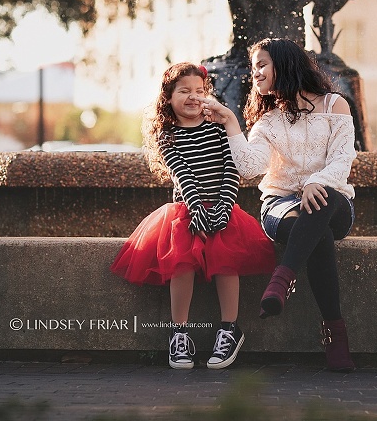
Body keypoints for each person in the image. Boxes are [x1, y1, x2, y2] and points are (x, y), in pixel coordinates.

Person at [198, 38, 357, 372]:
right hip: (281, 206)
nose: (254, 73)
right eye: (254, 66)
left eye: (261, 64)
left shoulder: (335, 105)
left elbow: (343, 160)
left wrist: (317, 181)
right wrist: (230, 122)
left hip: (333, 200)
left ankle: (282, 277)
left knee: (321, 202)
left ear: (284, 64)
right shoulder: (268, 121)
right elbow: (250, 168)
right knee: (318, 236)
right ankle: (334, 333)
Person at [110, 62, 275, 370]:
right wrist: (198, 208)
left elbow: (231, 168)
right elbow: (182, 175)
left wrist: (224, 207)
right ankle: (179, 332)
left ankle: (229, 329)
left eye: (199, 91)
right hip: (186, 210)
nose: (193, 97)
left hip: (224, 207)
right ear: (168, 98)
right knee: (181, 262)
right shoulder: (167, 135)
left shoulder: (217, 126)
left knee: (227, 259)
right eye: (184, 91)